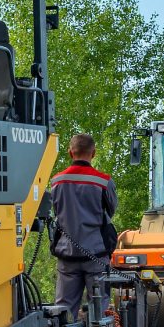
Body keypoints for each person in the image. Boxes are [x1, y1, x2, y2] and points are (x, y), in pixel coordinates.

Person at [47, 133, 118, 316]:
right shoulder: (103, 181)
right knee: (99, 308)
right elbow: (110, 211)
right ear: (93, 153)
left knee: (63, 309)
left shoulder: (56, 182)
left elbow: (56, 212)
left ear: (71, 153)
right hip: (96, 253)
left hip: (66, 254)